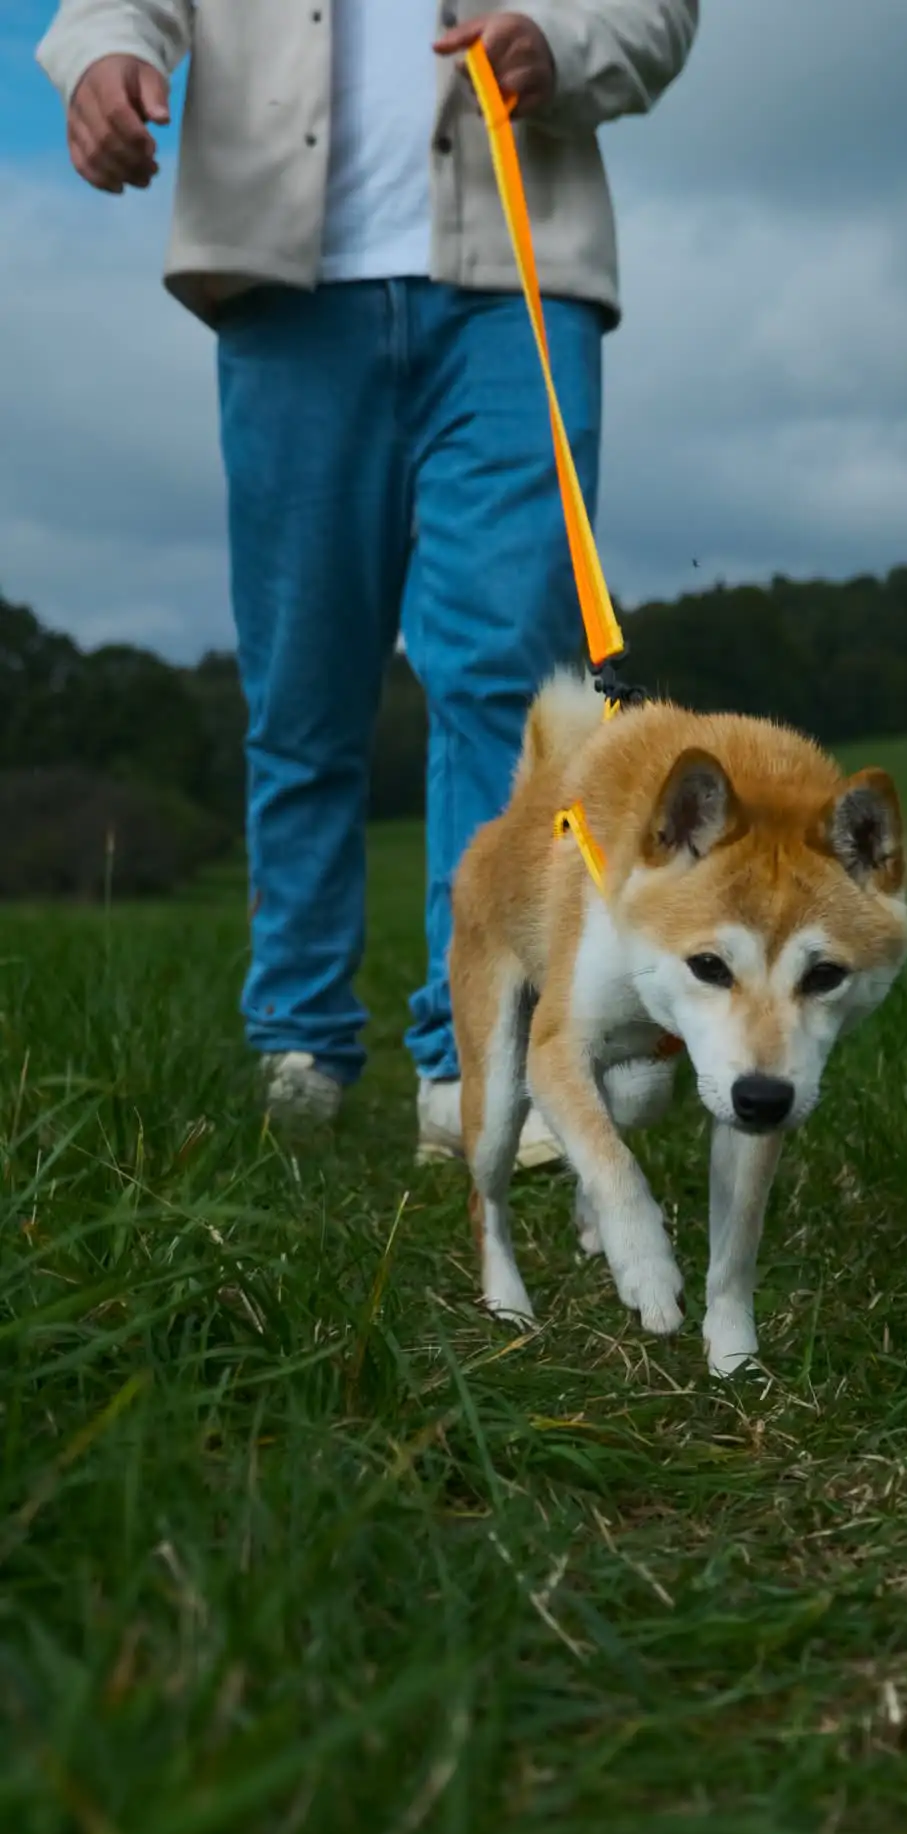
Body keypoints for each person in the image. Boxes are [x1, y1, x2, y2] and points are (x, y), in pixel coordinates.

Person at [36, 0, 698, 1167]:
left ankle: (472, 1056)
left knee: (504, 682)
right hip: (284, 295)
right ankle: (297, 1044)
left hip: (515, 282)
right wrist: (104, 59)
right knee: (303, 695)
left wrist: (562, 39)